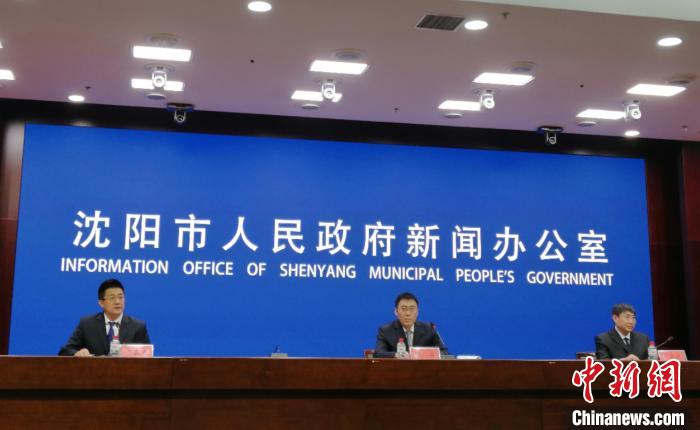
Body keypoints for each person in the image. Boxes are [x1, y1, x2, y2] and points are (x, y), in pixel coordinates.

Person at [59, 278, 150, 356]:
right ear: (101, 303)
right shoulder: (87, 324)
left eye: (120, 297)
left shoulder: (137, 327)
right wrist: (78, 353)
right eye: (112, 298)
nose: (117, 301)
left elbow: (147, 357)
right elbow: (66, 351)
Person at [374, 292, 448, 358]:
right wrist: (396, 355)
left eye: (412, 309)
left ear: (417, 312)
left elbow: (444, 352)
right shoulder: (385, 330)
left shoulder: (429, 329)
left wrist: (422, 355)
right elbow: (378, 353)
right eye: (404, 309)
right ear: (396, 311)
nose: (408, 313)